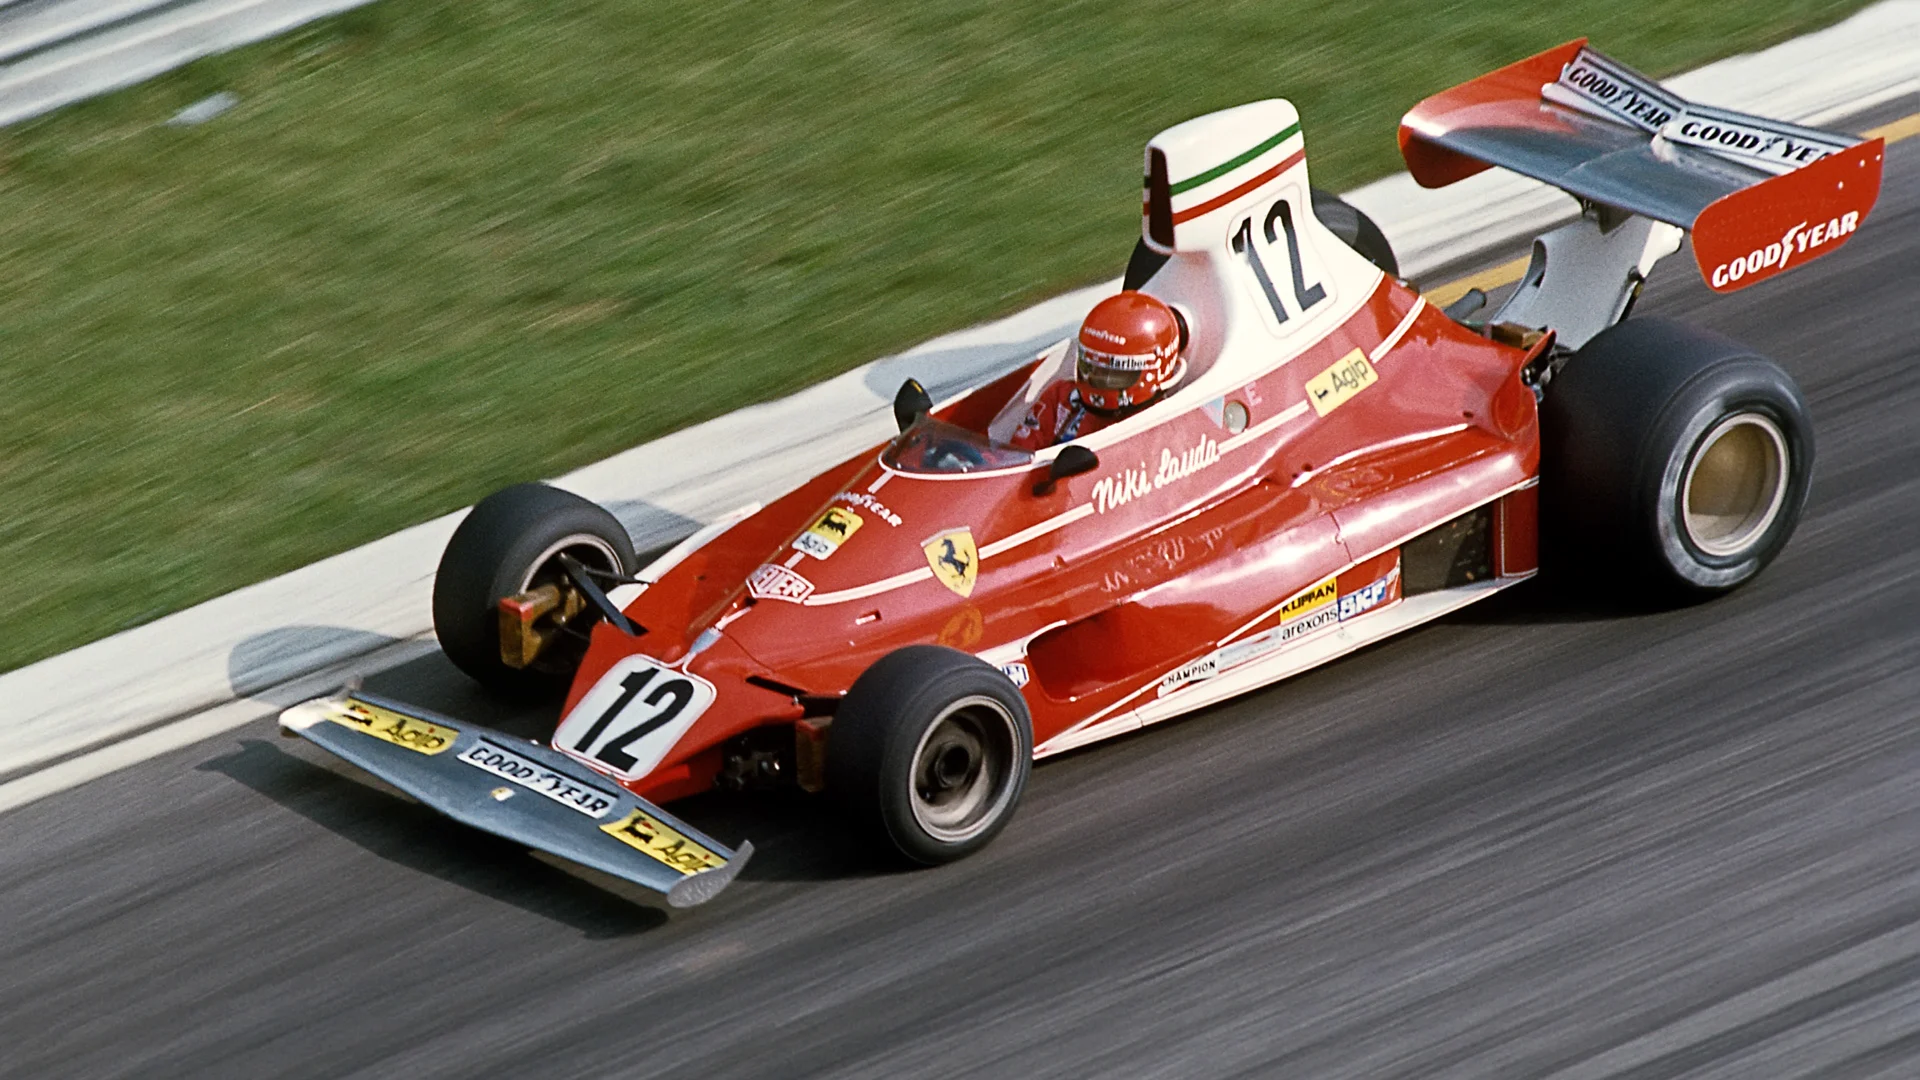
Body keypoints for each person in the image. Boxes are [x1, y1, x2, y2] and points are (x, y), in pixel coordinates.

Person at [1007, 290, 1188, 450]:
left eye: (1116, 374)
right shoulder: (1062, 398)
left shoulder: (1160, 433)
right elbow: (1018, 455)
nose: (1097, 378)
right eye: (1090, 367)